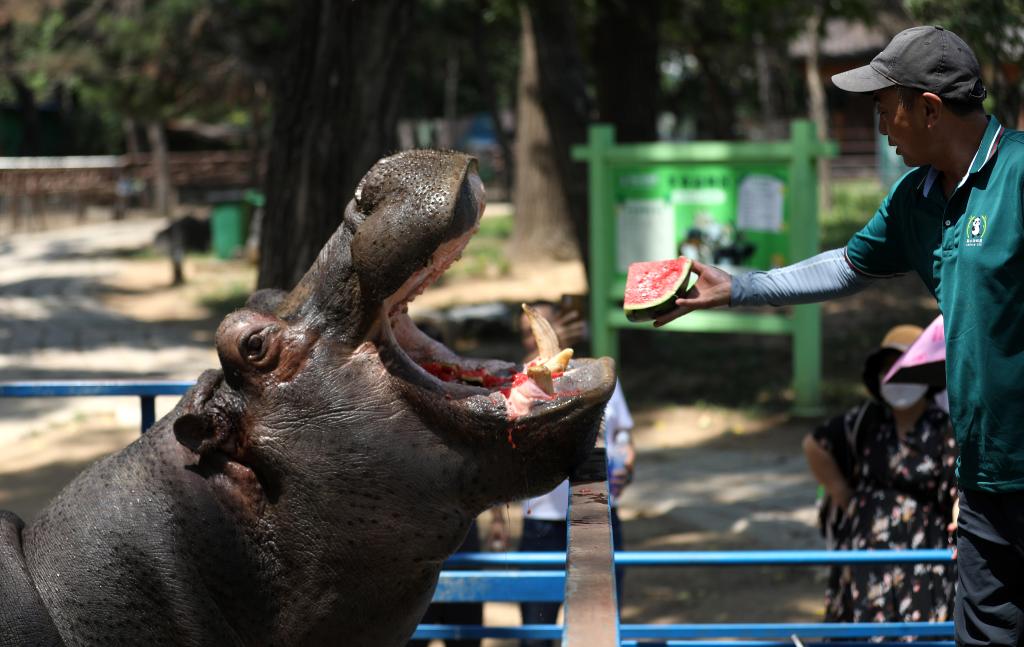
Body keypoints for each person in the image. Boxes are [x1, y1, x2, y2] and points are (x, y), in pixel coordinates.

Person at [652, 25, 1024, 646]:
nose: (880, 125)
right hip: (983, 483)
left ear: (927, 109)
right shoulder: (916, 198)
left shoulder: (1017, 173)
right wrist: (738, 287)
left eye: (884, 107)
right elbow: (846, 266)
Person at [487, 301, 635, 647]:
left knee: (597, 628)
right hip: (542, 525)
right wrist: (497, 517)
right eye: (526, 333)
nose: (531, 340)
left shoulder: (599, 377)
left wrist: (627, 461)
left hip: (600, 517)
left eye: (539, 331)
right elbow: (497, 454)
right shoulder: (517, 387)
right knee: (537, 633)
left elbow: (624, 433)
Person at [804, 324, 957, 628]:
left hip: (922, 553)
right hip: (864, 551)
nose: (897, 376)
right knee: (862, 629)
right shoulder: (867, 420)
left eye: (904, 367)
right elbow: (815, 445)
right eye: (889, 368)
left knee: (919, 630)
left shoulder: (943, 426)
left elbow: (957, 483)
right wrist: (844, 496)